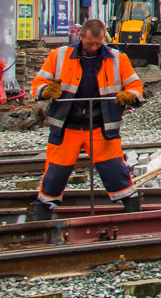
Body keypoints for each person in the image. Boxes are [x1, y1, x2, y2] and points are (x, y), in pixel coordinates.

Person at [27, 18, 144, 221]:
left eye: (98, 43)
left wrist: (131, 96)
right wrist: (45, 91)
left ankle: (132, 209)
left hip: (101, 126)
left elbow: (135, 85)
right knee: (56, 171)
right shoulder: (59, 56)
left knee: (114, 168)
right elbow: (38, 83)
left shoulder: (117, 58)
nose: (94, 47)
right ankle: (42, 211)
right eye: (90, 43)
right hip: (67, 126)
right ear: (80, 36)